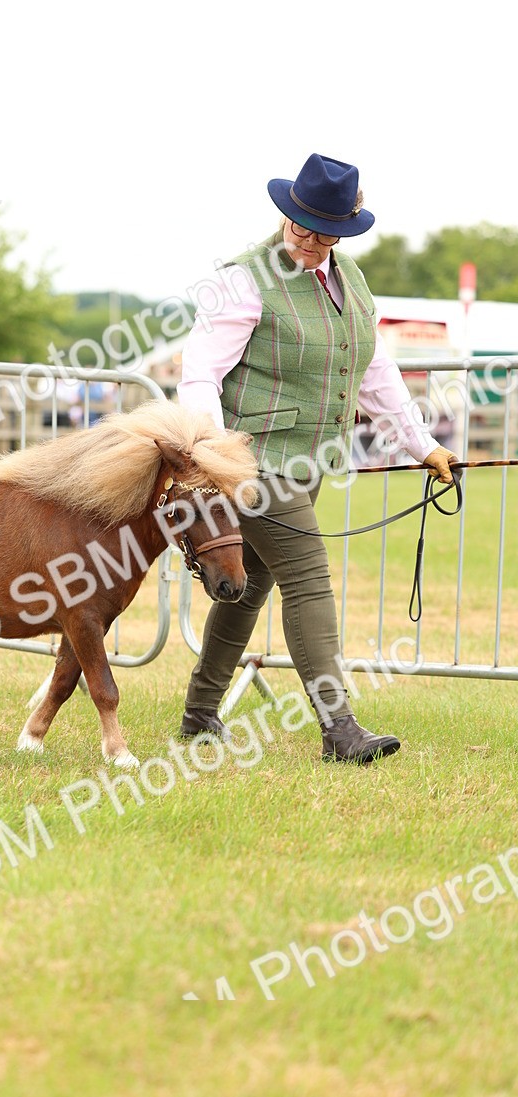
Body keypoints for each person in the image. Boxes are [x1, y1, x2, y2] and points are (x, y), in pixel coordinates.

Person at [176, 153, 458, 765]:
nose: (308, 240)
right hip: (253, 465)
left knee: (248, 590)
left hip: (305, 464)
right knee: (308, 579)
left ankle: (199, 715)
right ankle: (340, 730)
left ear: (344, 228)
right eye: (299, 225)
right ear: (285, 212)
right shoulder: (243, 280)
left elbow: (374, 371)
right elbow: (201, 376)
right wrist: (218, 459)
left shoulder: (350, 279)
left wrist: (424, 446)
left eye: (324, 230)